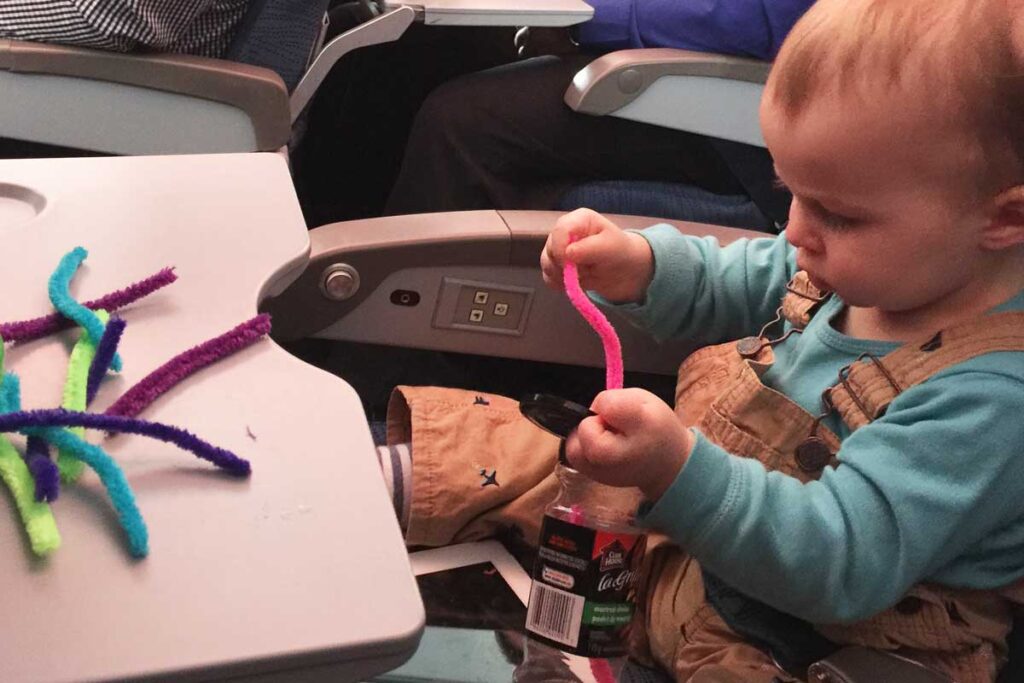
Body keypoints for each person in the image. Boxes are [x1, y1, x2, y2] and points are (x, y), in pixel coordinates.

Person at [375, 0, 1024, 680]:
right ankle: (385, 481)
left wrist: (677, 469)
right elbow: (736, 277)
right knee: (545, 450)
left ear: (1003, 217)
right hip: (697, 551)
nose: (796, 230)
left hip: (806, 640)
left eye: (837, 212)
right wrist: (641, 265)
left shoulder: (991, 399)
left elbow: (839, 559)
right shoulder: (858, 264)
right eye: (789, 193)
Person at [382, 0, 815, 228]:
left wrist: (596, 15)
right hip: (677, 48)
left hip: (736, 116)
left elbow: (762, 19)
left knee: (459, 123)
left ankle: (402, 370)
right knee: (410, 54)